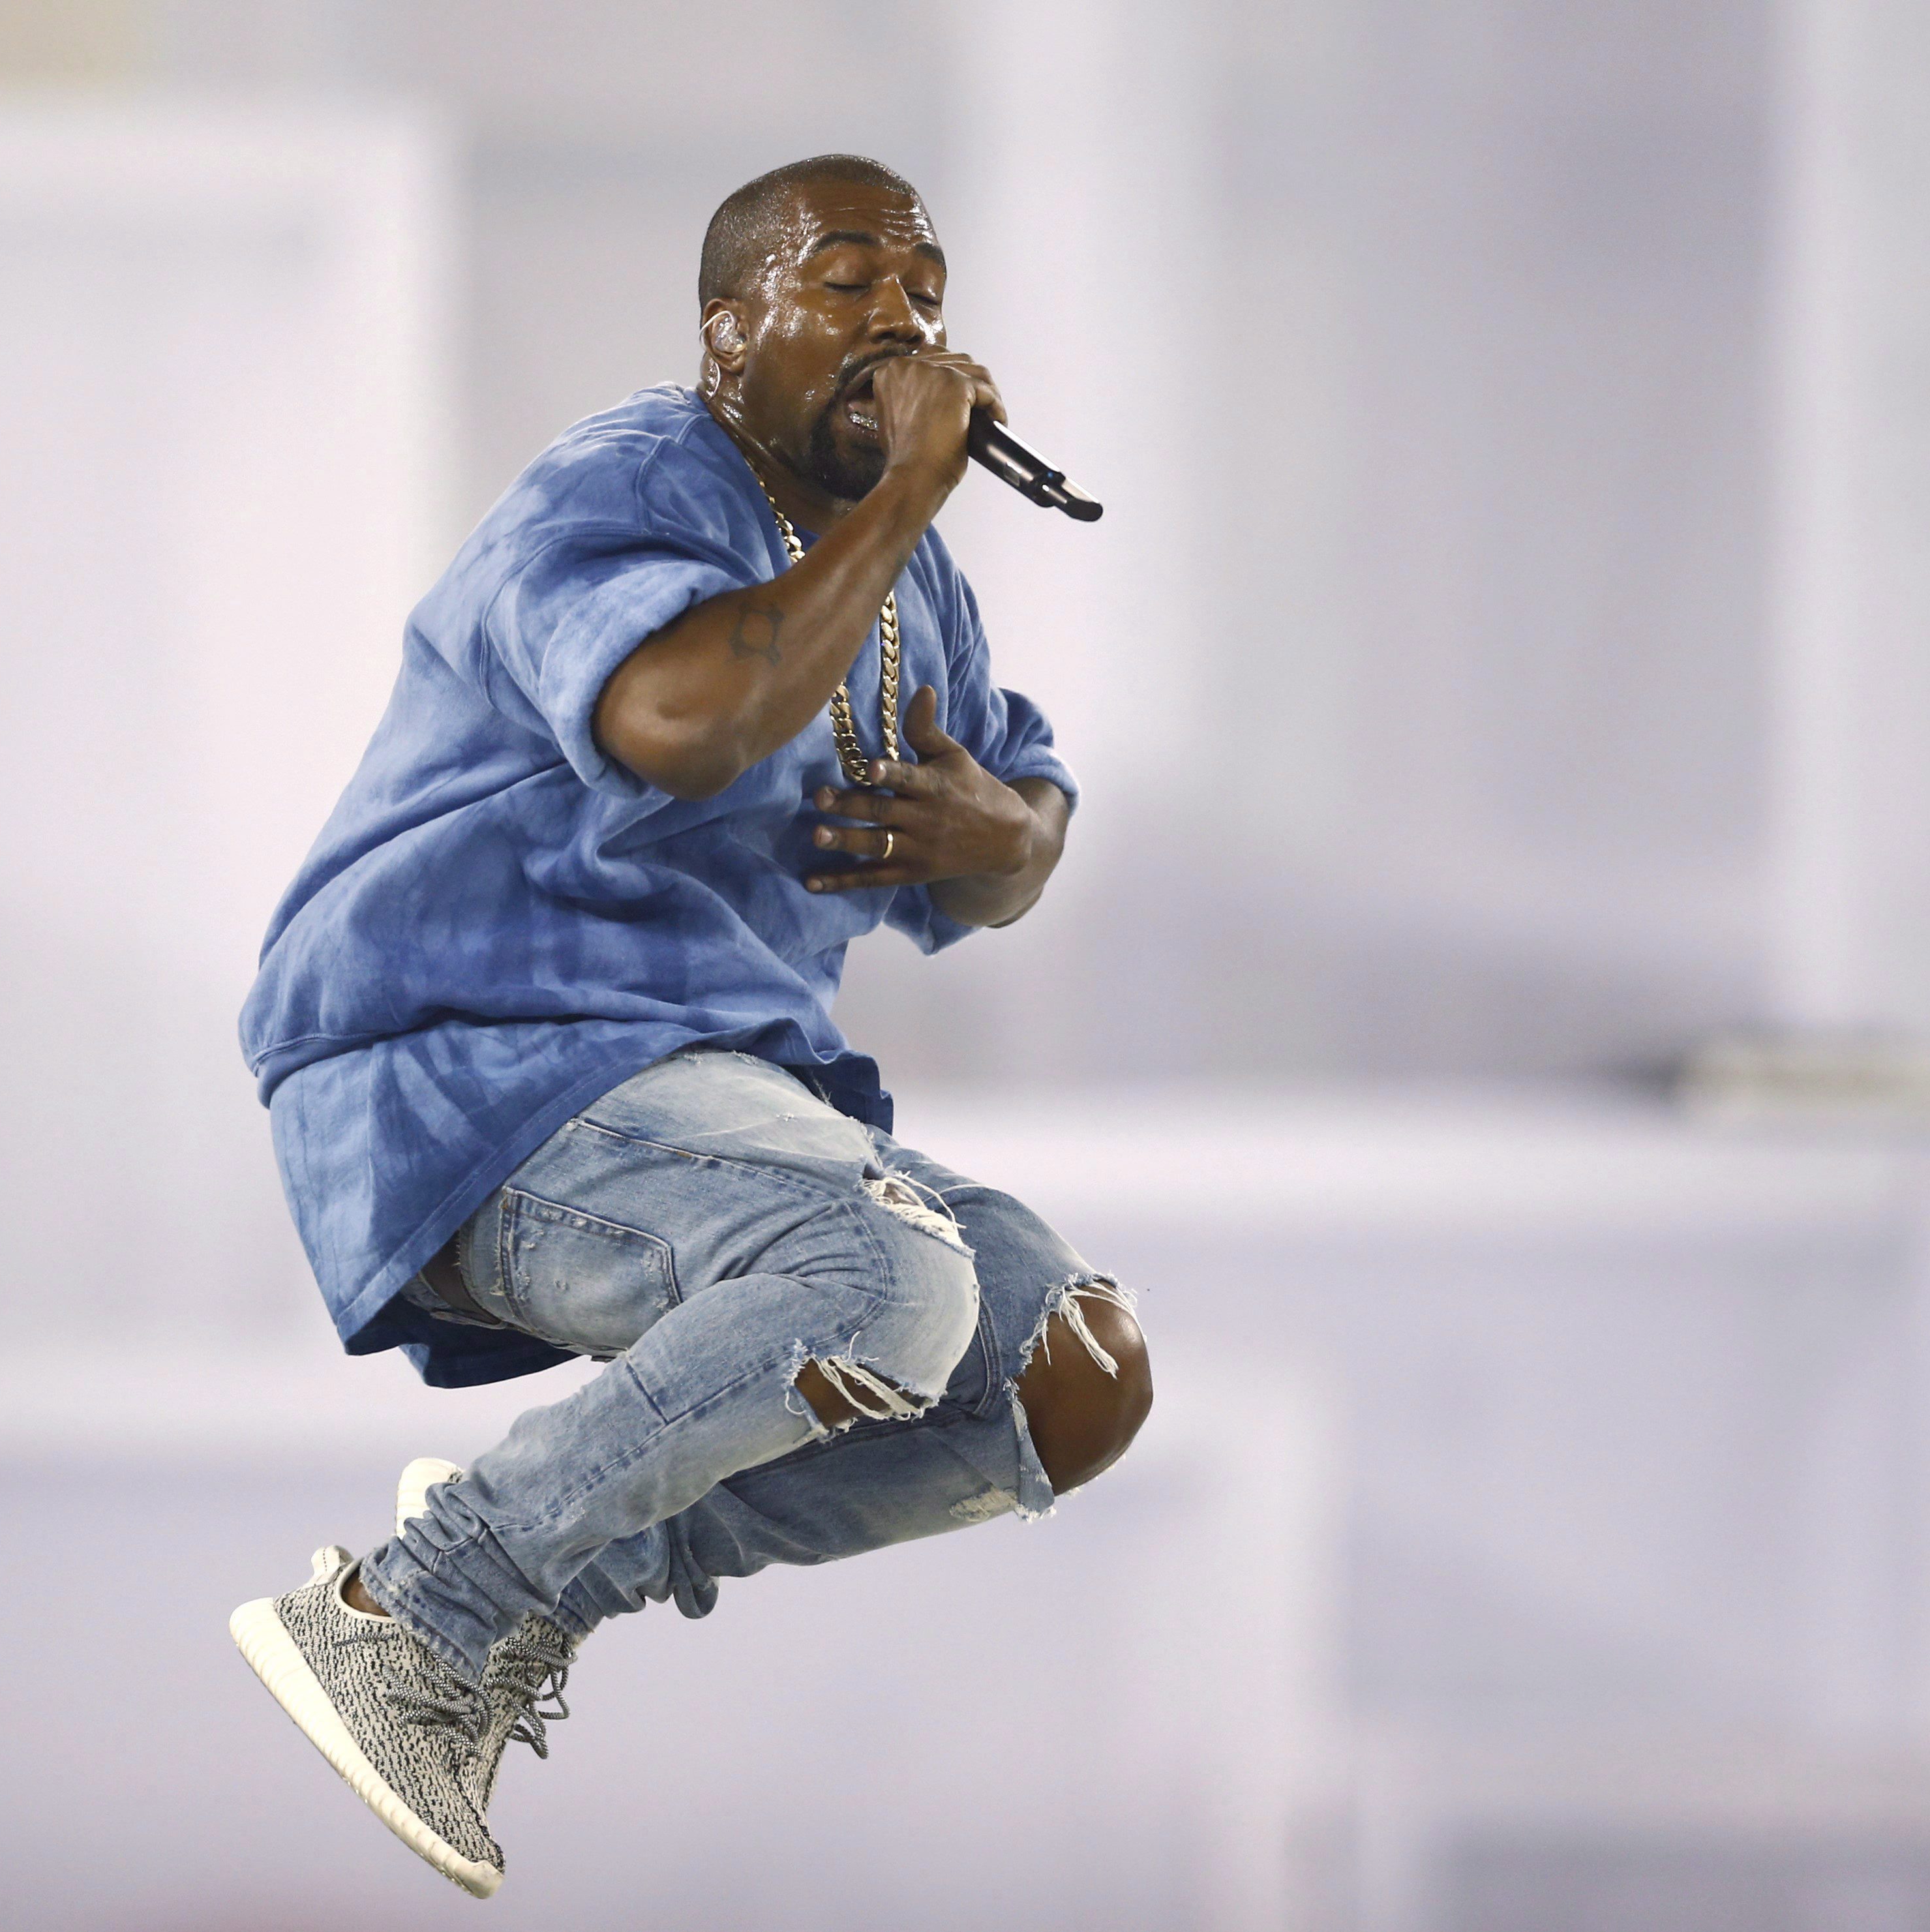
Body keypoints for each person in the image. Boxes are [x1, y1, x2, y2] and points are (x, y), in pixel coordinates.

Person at [229, 153, 1153, 1899]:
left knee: (1065, 1374)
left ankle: (538, 1577)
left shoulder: (913, 591)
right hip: (471, 1068)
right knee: (883, 1278)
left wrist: (1003, 837)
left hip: (703, 1090)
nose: (902, 326)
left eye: (925, 294)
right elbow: (676, 721)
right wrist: (904, 501)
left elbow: (1020, 818)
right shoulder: (627, 480)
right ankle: (421, 1612)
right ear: (729, 332)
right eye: (849, 284)